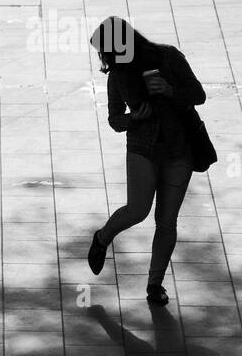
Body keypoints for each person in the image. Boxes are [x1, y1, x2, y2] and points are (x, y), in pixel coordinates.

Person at [87, 16, 206, 305]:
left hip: (180, 149)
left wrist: (169, 91)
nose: (105, 59)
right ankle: (103, 237)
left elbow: (198, 94)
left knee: (167, 221)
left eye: (106, 52)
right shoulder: (117, 75)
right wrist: (131, 119)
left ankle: (155, 284)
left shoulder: (169, 57)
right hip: (142, 147)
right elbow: (115, 119)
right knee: (137, 210)